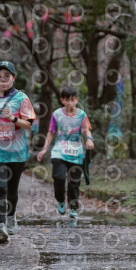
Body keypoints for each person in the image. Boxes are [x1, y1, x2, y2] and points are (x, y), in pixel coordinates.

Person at [0, 61, 36, 243]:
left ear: (13, 78)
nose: (3, 79)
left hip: (16, 152)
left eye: (7, 76)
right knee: (1, 187)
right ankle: (1, 225)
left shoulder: (21, 98)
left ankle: (11, 217)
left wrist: (13, 118)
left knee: (12, 189)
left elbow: (29, 124)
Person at [37, 86, 94, 219]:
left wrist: (89, 139)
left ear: (77, 100)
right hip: (59, 151)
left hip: (76, 153)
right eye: (67, 100)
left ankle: (73, 208)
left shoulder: (81, 115)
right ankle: (61, 200)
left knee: (74, 183)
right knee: (59, 177)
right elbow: (51, 132)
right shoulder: (57, 114)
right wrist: (44, 149)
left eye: (73, 100)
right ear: (62, 100)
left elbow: (86, 130)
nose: (70, 103)